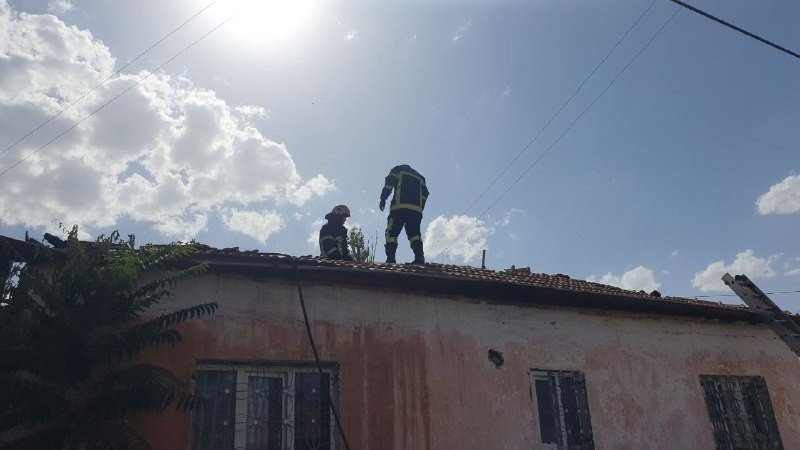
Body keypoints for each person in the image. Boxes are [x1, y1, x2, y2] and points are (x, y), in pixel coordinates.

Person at [379, 164, 429, 264]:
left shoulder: (397, 170)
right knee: (414, 234)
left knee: (391, 233)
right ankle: (419, 258)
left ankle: (391, 259)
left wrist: (383, 198)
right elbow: (425, 193)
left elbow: (389, 183)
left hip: (399, 207)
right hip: (415, 211)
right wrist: (420, 207)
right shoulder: (420, 177)